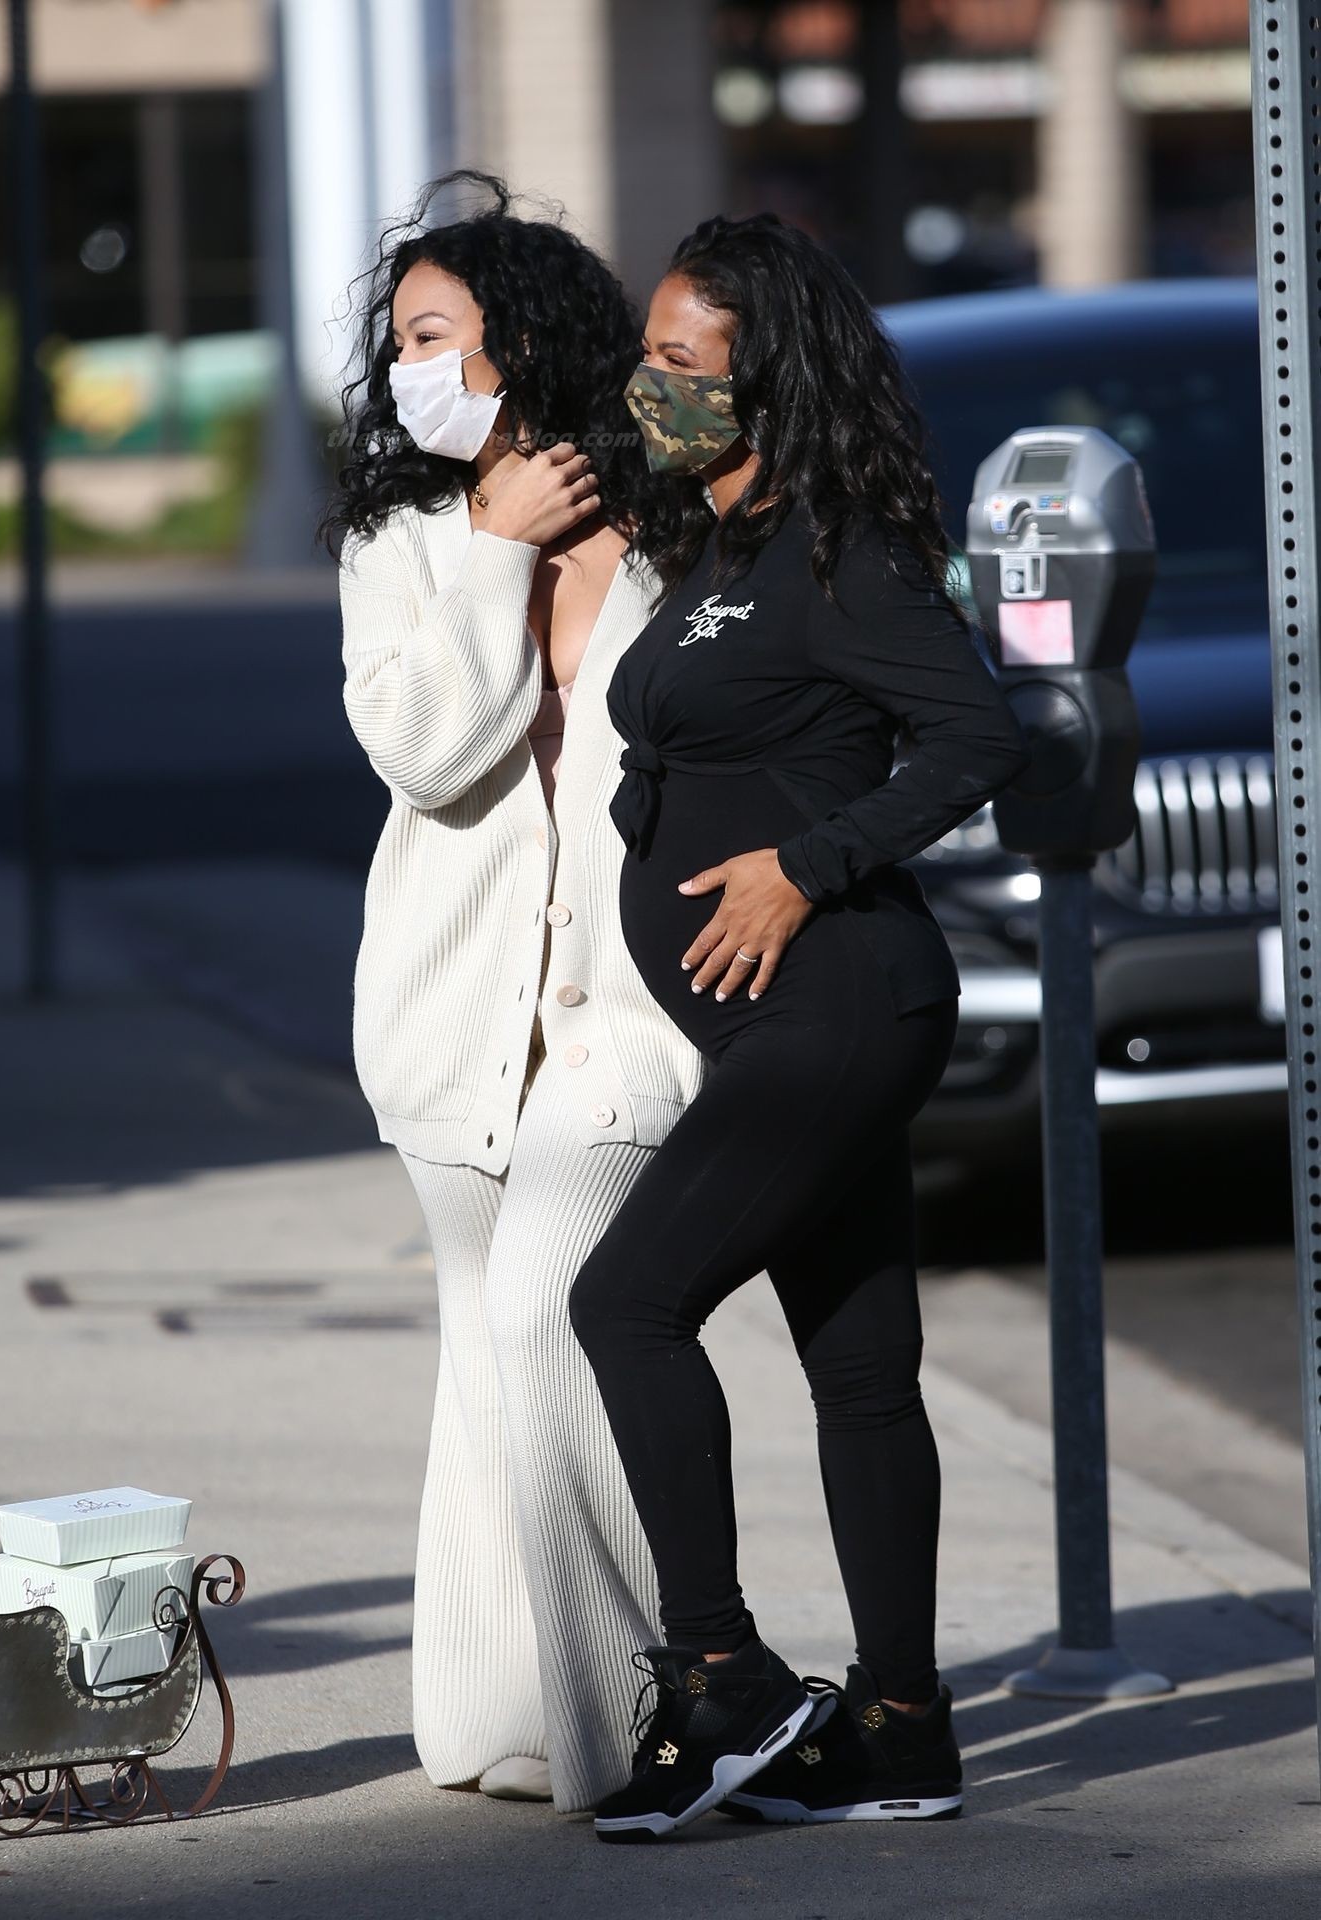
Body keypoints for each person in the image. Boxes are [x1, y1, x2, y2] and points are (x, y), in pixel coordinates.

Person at [565, 212, 1033, 1842]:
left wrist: (803, 867)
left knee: (624, 1303)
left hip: (840, 1003)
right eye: (649, 355)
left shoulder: (842, 553)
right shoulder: (714, 541)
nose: (650, 385)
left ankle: (723, 1679)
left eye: (680, 363)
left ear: (767, 379)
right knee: (862, 1367)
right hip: (783, 1025)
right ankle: (902, 1728)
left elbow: (976, 739)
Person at [326, 174, 705, 1814]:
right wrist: (493, 552)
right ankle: (492, 1716)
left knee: (550, 1313)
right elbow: (427, 750)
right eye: (399, 344)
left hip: (627, 1013)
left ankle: (632, 1717)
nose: (406, 370)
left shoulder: (672, 521)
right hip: (452, 1015)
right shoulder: (406, 544)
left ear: (528, 343)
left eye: (436, 337)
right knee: (482, 1351)